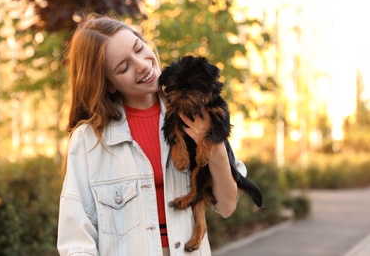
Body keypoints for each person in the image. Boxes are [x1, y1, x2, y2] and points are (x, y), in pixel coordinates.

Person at [57, 14, 248, 256]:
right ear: (108, 84)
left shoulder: (195, 112)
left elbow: (227, 206)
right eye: (124, 67)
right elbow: (76, 241)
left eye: (139, 48)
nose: (143, 65)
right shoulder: (89, 141)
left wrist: (213, 144)